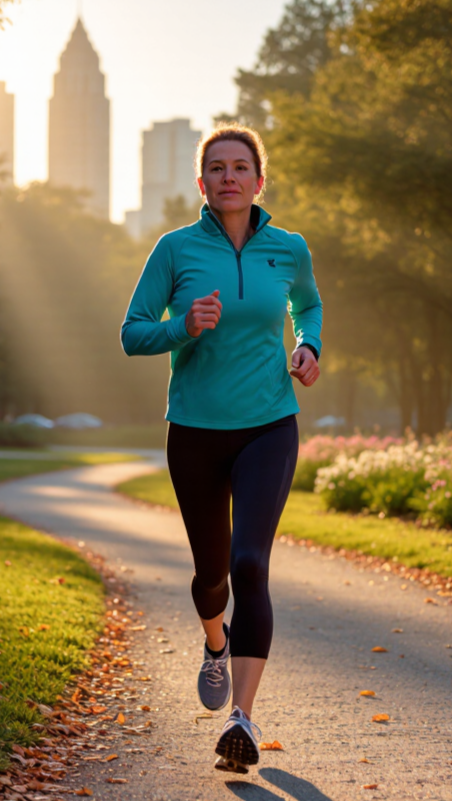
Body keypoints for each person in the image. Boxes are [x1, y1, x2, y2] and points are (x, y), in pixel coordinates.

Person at [121, 123, 322, 774]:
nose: (229, 176)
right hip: (196, 431)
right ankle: (215, 641)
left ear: (259, 181)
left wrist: (309, 344)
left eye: (241, 167)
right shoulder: (175, 250)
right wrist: (184, 326)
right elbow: (132, 333)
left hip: (269, 423)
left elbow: (308, 307)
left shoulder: (288, 248)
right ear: (201, 182)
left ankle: (243, 717)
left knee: (249, 563)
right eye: (216, 167)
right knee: (211, 572)